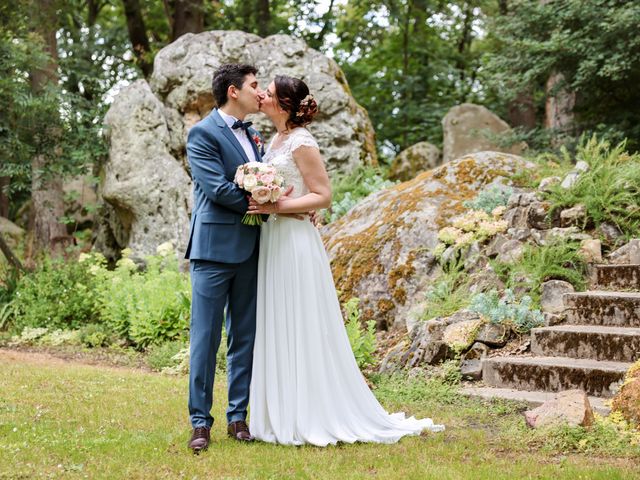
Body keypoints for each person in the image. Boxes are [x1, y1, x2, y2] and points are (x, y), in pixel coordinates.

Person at [247, 75, 445, 446]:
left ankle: (310, 413)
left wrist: (278, 205)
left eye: (269, 94)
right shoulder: (274, 140)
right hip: (273, 238)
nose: (262, 96)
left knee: (301, 321)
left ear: (285, 105)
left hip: (295, 242)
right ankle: (280, 412)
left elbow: (323, 196)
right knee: (278, 319)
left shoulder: (303, 142)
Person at [184, 63, 266, 453]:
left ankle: (238, 417)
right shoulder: (202, 133)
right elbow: (216, 188)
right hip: (213, 250)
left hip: (251, 249)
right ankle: (200, 422)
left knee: (244, 336)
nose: (260, 91)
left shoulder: (254, 134)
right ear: (233, 91)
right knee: (205, 338)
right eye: (254, 85)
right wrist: (267, 205)